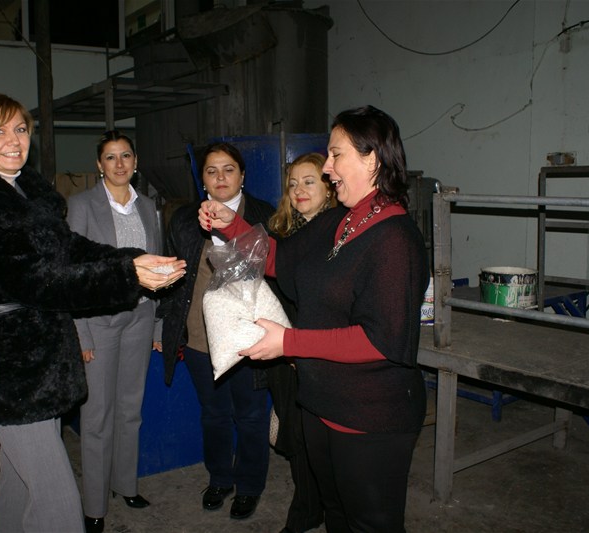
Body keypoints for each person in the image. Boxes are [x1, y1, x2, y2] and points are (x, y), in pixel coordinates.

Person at [0, 92, 185, 533]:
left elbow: (70, 248)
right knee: (58, 503)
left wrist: (132, 258)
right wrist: (127, 276)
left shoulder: (23, 193)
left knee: (18, 484)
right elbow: (38, 281)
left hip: (41, 361)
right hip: (10, 369)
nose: (14, 140)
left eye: (20, 129)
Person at [199, 106, 429, 533]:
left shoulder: (396, 240)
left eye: (336, 155)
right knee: (337, 517)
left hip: (370, 417)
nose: (327, 168)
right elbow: (277, 257)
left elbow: (379, 340)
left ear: (372, 160)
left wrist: (289, 343)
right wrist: (232, 225)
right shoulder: (340, 221)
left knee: (370, 524)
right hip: (321, 405)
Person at [160, 142, 273, 521]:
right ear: (202, 179)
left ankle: (250, 485)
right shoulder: (184, 219)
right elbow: (172, 276)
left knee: (252, 416)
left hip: (249, 339)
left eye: (228, 169)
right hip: (200, 337)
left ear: (242, 175)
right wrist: (166, 326)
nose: (220, 177)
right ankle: (220, 478)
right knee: (214, 414)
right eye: (211, 171)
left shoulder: (264, 215)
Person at [66, 130, 161, 533]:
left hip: (140, 317)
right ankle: (94, 506)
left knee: (130, 409)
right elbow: (72, 272)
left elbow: (156, 265)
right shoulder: (81, 205)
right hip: (99, 322)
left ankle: (126, 485)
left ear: (135, 162)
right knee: (97, 417)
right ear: (99, 165)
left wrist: (157, 322)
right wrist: (81, 333)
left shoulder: (149, 207)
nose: (119, 164)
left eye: (125, 156)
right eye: (110, 157)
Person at [266, 152, 335, 533]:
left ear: (329, 187)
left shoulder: (339, 234)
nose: (299, 190)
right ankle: (309, 506)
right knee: (294, 430)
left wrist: (301, 345)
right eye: (293, 184)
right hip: (281, 346)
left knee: (317, 434)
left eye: (309, 181)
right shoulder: (281, 233)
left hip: (316, 348)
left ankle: (316, 509)